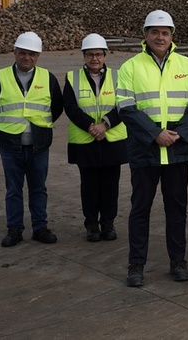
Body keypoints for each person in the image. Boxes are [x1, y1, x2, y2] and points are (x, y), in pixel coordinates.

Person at [118, 10, 188, 287]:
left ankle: (178, 261)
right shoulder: (130, 67)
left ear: (172, 36)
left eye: (165, 32)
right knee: (140, 209)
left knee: (177, 209)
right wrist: (155, 134)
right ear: (145, 35)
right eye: (155, 32)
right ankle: (136, 265)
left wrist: (177, 135)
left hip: (177, 149)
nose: (160, 37)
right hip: (145, 150)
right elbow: (126, 107)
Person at [0, 31, 63, 247]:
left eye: (32, 54)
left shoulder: (48, 78)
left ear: (38, 56)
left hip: (39, 145)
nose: (27, 57)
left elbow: (56, 107)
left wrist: (41, 127)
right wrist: (6, 127)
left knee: (38, 188)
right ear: (15, 52)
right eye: (23, 53)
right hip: (10, 145)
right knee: (13, 189)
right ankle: (14, 229)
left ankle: (40, 228)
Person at [63, 33, 128, 242]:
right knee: (89, 185)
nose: (94, 59)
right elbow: (70, 107)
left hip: (112, 140)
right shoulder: (72, 78)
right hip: (86, 141)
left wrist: (105, 124)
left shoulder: (119, 77)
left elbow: (125, 105)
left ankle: (108, 223)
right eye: (90, 54)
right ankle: (91, 224)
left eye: (98, 54)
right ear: (83, 56)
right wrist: (91, 126)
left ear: (105, 55)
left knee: (110, 185)